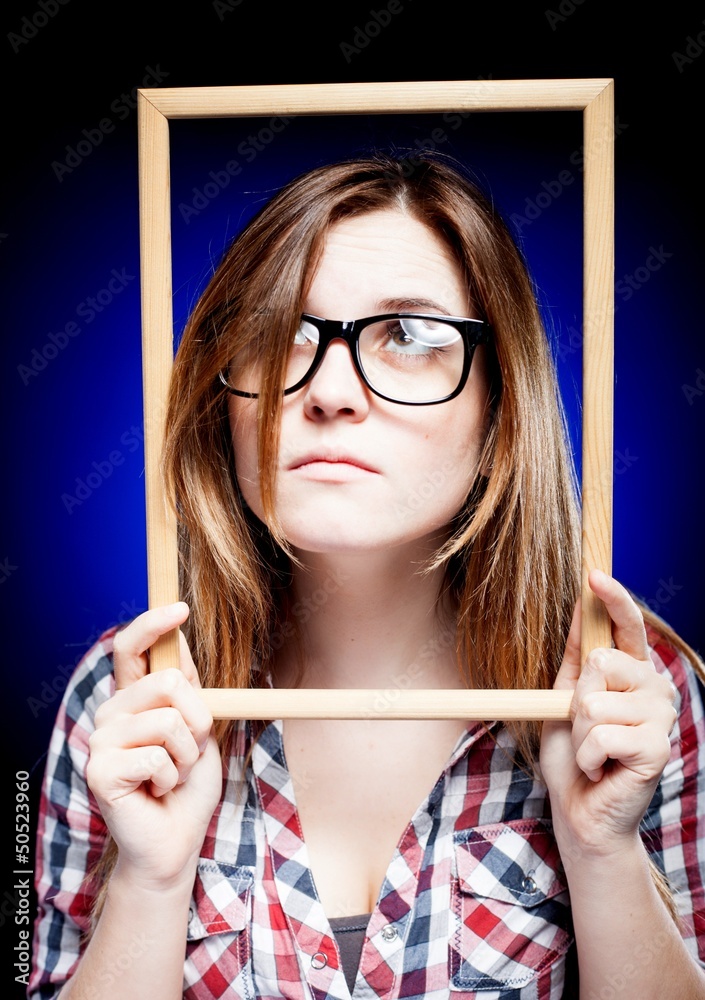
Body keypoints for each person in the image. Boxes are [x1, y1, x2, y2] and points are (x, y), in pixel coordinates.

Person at [28, 152, 705, 999]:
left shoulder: (627, 693)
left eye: (412, 337)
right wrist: (149, 880)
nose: (330, 393)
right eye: (278, 334)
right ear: (221, 400)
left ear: (501, 405)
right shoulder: (128, 697)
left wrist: (601, 852)